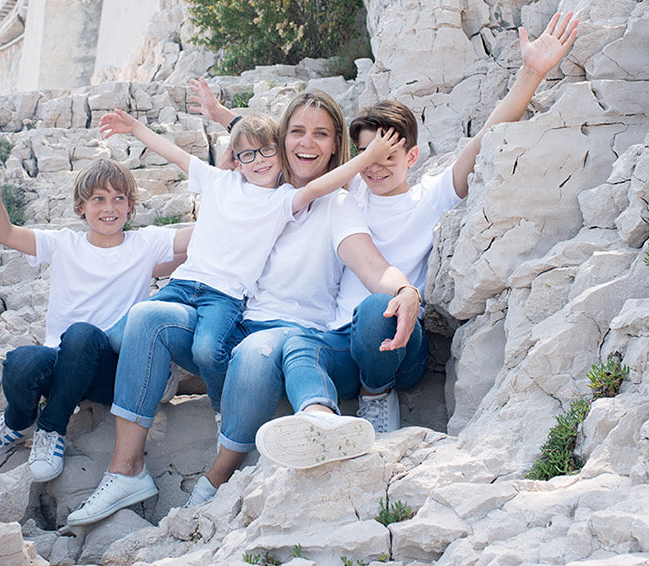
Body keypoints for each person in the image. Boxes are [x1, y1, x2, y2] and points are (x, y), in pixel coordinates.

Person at [65, 90, 421, 525]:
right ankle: (125, 470)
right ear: (281, 138)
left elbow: (370, 264)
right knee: (147, 317)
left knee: (256, 352)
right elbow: (229, 184)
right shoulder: (247, 185)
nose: (307, 143)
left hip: (290, 333)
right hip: (231, 317)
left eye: (321, 134)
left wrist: (405, 289)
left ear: (336, 147)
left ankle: (216, 480)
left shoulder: (335, 203)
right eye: (297, 132)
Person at [256, 12, 580, 468]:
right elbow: (296, 161)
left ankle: (377, 395)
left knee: (376, 307)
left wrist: (532, 71)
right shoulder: (349, 198)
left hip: (399, 343)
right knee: (298, 343)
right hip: (342, 343)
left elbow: (487, 136)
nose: (377, 168)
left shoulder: (431, 196)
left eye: (388, 156)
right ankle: (320, 424)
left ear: (411, 155)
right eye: (367, 157)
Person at [96, 108, 403, 416]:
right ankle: (161, 373)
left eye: (267, 152)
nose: (258, 160)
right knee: (120, 334)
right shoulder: (221, 181)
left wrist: (367, 157)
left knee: (209, 349)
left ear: (280, 152)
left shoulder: (283, 199)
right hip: (187, 283)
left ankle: (222, 409)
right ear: (237, 159)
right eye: (247, 156)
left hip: (227, 297)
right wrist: (134, 126)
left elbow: (317, 187)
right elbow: (176, 154)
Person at [0, 135, 189, 482]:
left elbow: (200, 237)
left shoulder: (145, 243)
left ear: (131, 206)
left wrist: (239, 192)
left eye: (118, 199)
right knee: (22, 362)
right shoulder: (63, 244)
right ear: (81, 206)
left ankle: (51, 428)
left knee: (83, 335)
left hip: (111, 370)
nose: (109, 208)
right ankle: (16, 422)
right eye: (98, 199)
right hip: (62, 360)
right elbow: (3, 232)